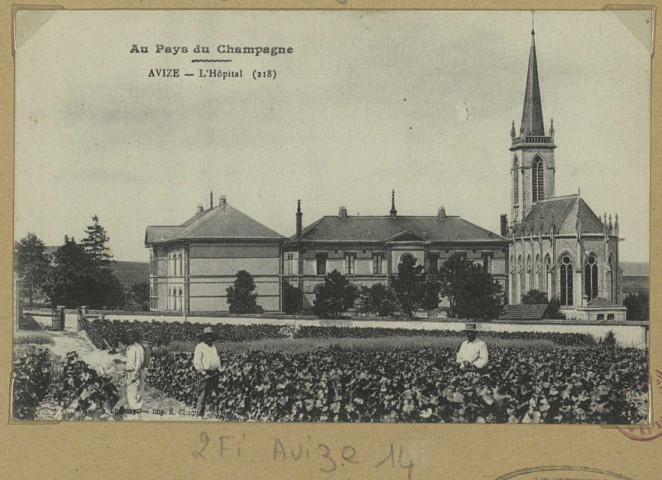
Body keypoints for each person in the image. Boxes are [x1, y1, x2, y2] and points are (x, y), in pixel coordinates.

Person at [114, 329, 146, 413]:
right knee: (130, 390)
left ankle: (137, 408)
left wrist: (136, 373)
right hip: (129, 372)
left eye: (132, 337)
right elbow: (129, 360)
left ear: (135, 337)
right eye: (129, 337)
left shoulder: (138, 347)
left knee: (137, 390)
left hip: (135, 372)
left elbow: (139, 361)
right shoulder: (129, 347)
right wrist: (120, 360)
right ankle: (133, 408)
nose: (130, 338)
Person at [193, 327, 222, 418]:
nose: (209, 338)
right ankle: (200, 414)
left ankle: (218, 412)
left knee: (217, 392)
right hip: (204, 373)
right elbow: (197, 362)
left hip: (214, 373)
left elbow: (216, 359)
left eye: (211, 336)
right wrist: (203, 373)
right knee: (203, 394)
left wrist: (220, 368)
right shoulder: (200, 347)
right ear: (204, 337)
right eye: (207, 336)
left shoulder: (213, 346)